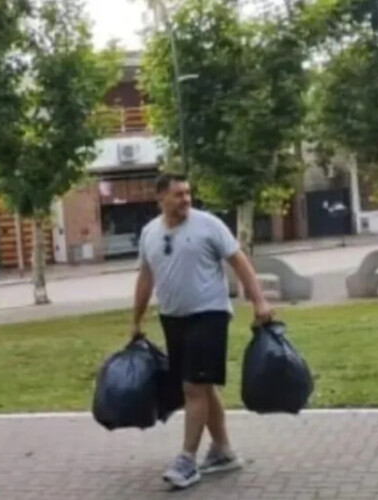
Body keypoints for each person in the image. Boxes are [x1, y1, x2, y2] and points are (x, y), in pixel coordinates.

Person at [132, 173, 273, 490]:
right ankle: (222, 450)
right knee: (204, 388)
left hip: (209, 314)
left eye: (188, 193)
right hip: (173, 318)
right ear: (160, 198)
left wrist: (259, 301)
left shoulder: (208, 224)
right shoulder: (149, 233)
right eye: (178, 194)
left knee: (193, 387)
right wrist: (136, 320)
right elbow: (145, 278)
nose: (186, 199)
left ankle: (187, 460)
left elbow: (239, 262)